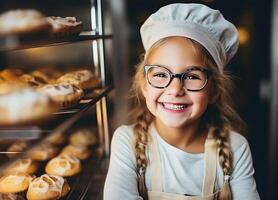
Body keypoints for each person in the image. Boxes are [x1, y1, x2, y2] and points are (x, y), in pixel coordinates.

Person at [104, 3, 260, 200]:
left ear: (214, 91)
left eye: (192, 76)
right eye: (160, 74)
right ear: (144, 86)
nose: (175, 89)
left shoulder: (235, 148)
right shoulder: (127, 142)